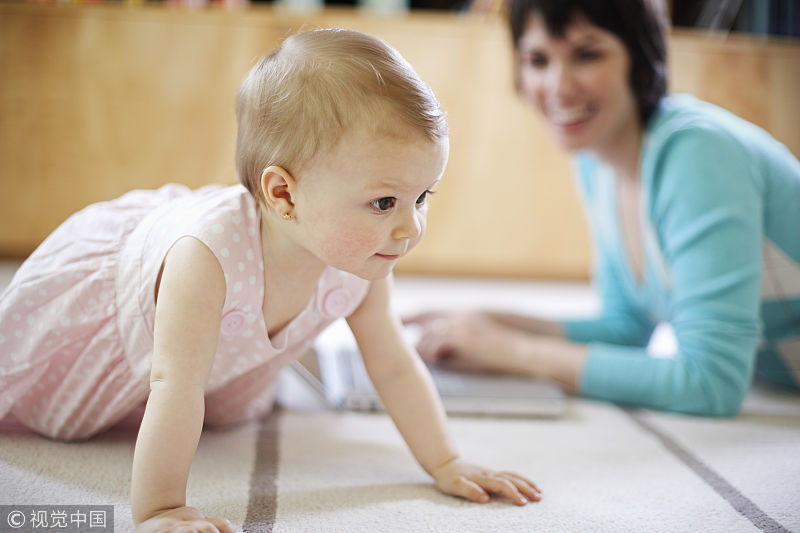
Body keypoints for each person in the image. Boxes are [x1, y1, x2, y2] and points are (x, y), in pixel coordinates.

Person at [0, 29, 541, 532]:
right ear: (283, 195)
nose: (410, 226)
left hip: (214, 353)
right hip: (119, 334)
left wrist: (445, 460)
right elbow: (175, 385)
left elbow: (394, 364)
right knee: (77, 417)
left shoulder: (362, 257)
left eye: (422, 197)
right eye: (384, 202)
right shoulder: (203, 260)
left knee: (228, 414)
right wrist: (159, 509)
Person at [410, 0, 800, 417]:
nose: (558, 86)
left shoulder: (700, 152)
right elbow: (625, 327)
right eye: (537, 60)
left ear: (640, 56)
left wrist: (513, 351)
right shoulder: (598, 163)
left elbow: (711, 383)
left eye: (587, 54)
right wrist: (492, 322)